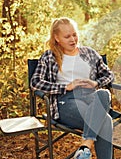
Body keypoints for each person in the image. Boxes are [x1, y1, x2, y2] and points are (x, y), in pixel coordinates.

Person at [31, 17, 114, 159]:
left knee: (104, 94)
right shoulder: (49, 57)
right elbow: (35, 82)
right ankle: (86, 147)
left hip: (92, 98)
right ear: (57, 38)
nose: (73, 39)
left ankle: (84, 147)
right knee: (105, 121)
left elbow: (109, 75)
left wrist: (95, 83)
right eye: (67, 36)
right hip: (66, 101)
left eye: (74, 34)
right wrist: (66, 87)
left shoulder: (89, 53)